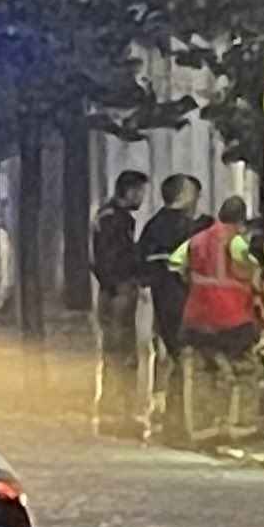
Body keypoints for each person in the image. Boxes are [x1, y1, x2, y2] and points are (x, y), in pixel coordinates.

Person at [165, 194, 264, 445]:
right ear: (240, 221)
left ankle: (203, 431)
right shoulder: (235, 242)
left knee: (201, 374)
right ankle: (241, 427)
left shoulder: (195, 240)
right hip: (231, 319)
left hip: (197, 318)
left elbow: (174, 263)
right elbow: (254, 266)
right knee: (245, 372)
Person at [135, 175, 208, 442]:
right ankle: (181, 421)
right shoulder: (180, 228)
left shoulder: (154, 227)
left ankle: (170, 418)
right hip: (181, 304)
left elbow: (143, 267)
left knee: (174, 360)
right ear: (184, 195)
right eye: (195, 195)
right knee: (185, 360)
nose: (198, 201)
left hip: (165, 304)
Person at [88, 169, 151, 435]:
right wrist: (130, 278)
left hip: (110, 290)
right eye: (140, 192)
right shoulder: (118, 220)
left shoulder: (104, 215)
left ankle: (112, 412)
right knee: (122, 352)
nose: (142, 198)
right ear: (130, 191)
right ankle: (120, 414)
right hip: (119, 291)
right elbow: (115, 258)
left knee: (113, 352)